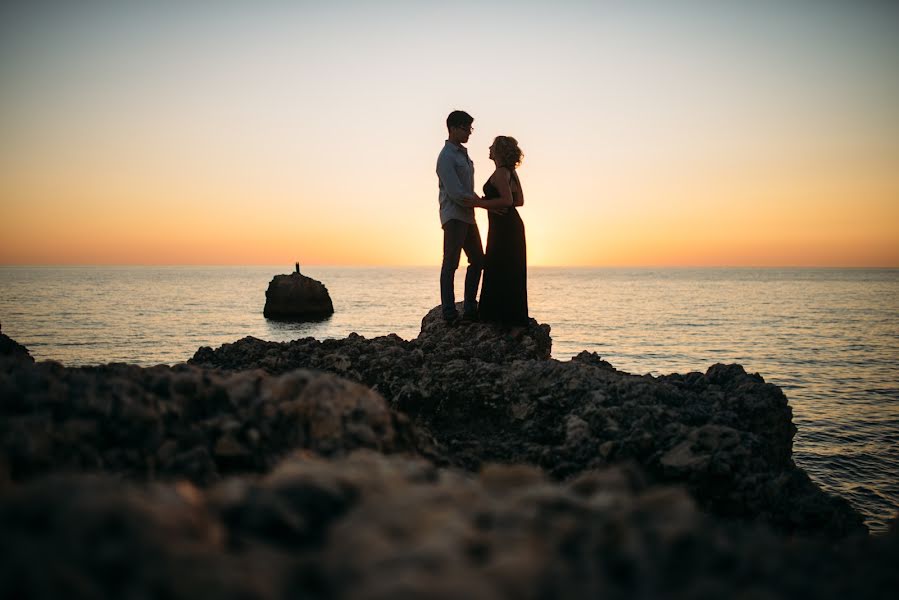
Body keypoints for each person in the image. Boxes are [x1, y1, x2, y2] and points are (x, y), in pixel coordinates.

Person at [464, 136, 528, 327]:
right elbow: (518, 201)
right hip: (510, 225)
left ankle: (503, 319)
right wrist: (490, 204)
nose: (489, 148)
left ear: (499, 151)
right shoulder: (511, 172)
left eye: (493, 146)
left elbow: (508, 201)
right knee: (509, 269)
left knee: (500, 267)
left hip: (504, 227)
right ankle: (512, 320)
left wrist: (480, 203)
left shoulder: (501, 172)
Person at [436, 110, 484, 323]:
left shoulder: (463, 154)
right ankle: (449, 313)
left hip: (468, 215)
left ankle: (470, 308)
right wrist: (483, 204)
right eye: (466, 128)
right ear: (454, 128)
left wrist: (477, 201)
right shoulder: (446, 157)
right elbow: (456, 193)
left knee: (479, 260)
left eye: (470, 129)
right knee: (451, 264)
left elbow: (465, 188)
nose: (469, 133)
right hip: (454, 216)